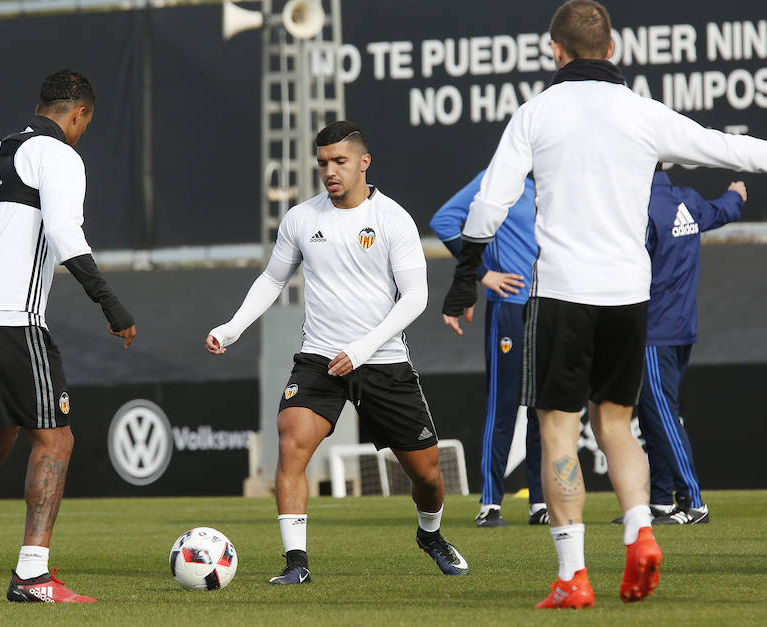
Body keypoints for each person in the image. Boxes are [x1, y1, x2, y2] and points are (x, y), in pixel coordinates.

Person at [440, 0, 767, 609]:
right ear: (612, 49)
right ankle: (642, 532)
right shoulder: (642, 113)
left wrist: (465, 278)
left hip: (562, 294)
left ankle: (573, 575)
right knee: (617, 424)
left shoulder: (534, 114)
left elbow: (486, 208)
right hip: (629, 298)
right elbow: (734, 150)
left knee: (559, 429)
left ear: (554, 50)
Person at [206, 120, 469, 584]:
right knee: (291, 447)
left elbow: (416, 298)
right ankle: (296, 564)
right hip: (319, 360)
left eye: (340, 161)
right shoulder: (301, 219)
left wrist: (363, 347)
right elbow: (272, 280)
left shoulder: (393, 219)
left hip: (382, 360)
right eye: (323, 162)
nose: (330, 170)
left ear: (364, 163)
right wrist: (232, 328)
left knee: (427, 476)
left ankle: (431, 535)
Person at [0, 68, 137, 603]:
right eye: (85, 122)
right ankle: (34, 573)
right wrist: (109, 304)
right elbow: (66, 234)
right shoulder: (60, 155)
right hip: (9, 318)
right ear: (79, 113)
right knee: (55, 437)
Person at [430, 171, 548, 528]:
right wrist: (483, 274)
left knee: (543, 410)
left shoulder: (559, 178)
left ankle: (540, 503)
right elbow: (445, 220)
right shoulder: (498, 178)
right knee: (504, 405)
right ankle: (491, 504)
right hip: (509, 305)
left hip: (552, 304)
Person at [639, 167, 746, 524]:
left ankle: (693, 502)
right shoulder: (687, 198)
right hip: (681, 327)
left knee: (661, 413)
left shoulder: (639, 206)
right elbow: (722, 211)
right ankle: (659, 500)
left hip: (653, 329)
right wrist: (736, 195)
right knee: (655, 413)